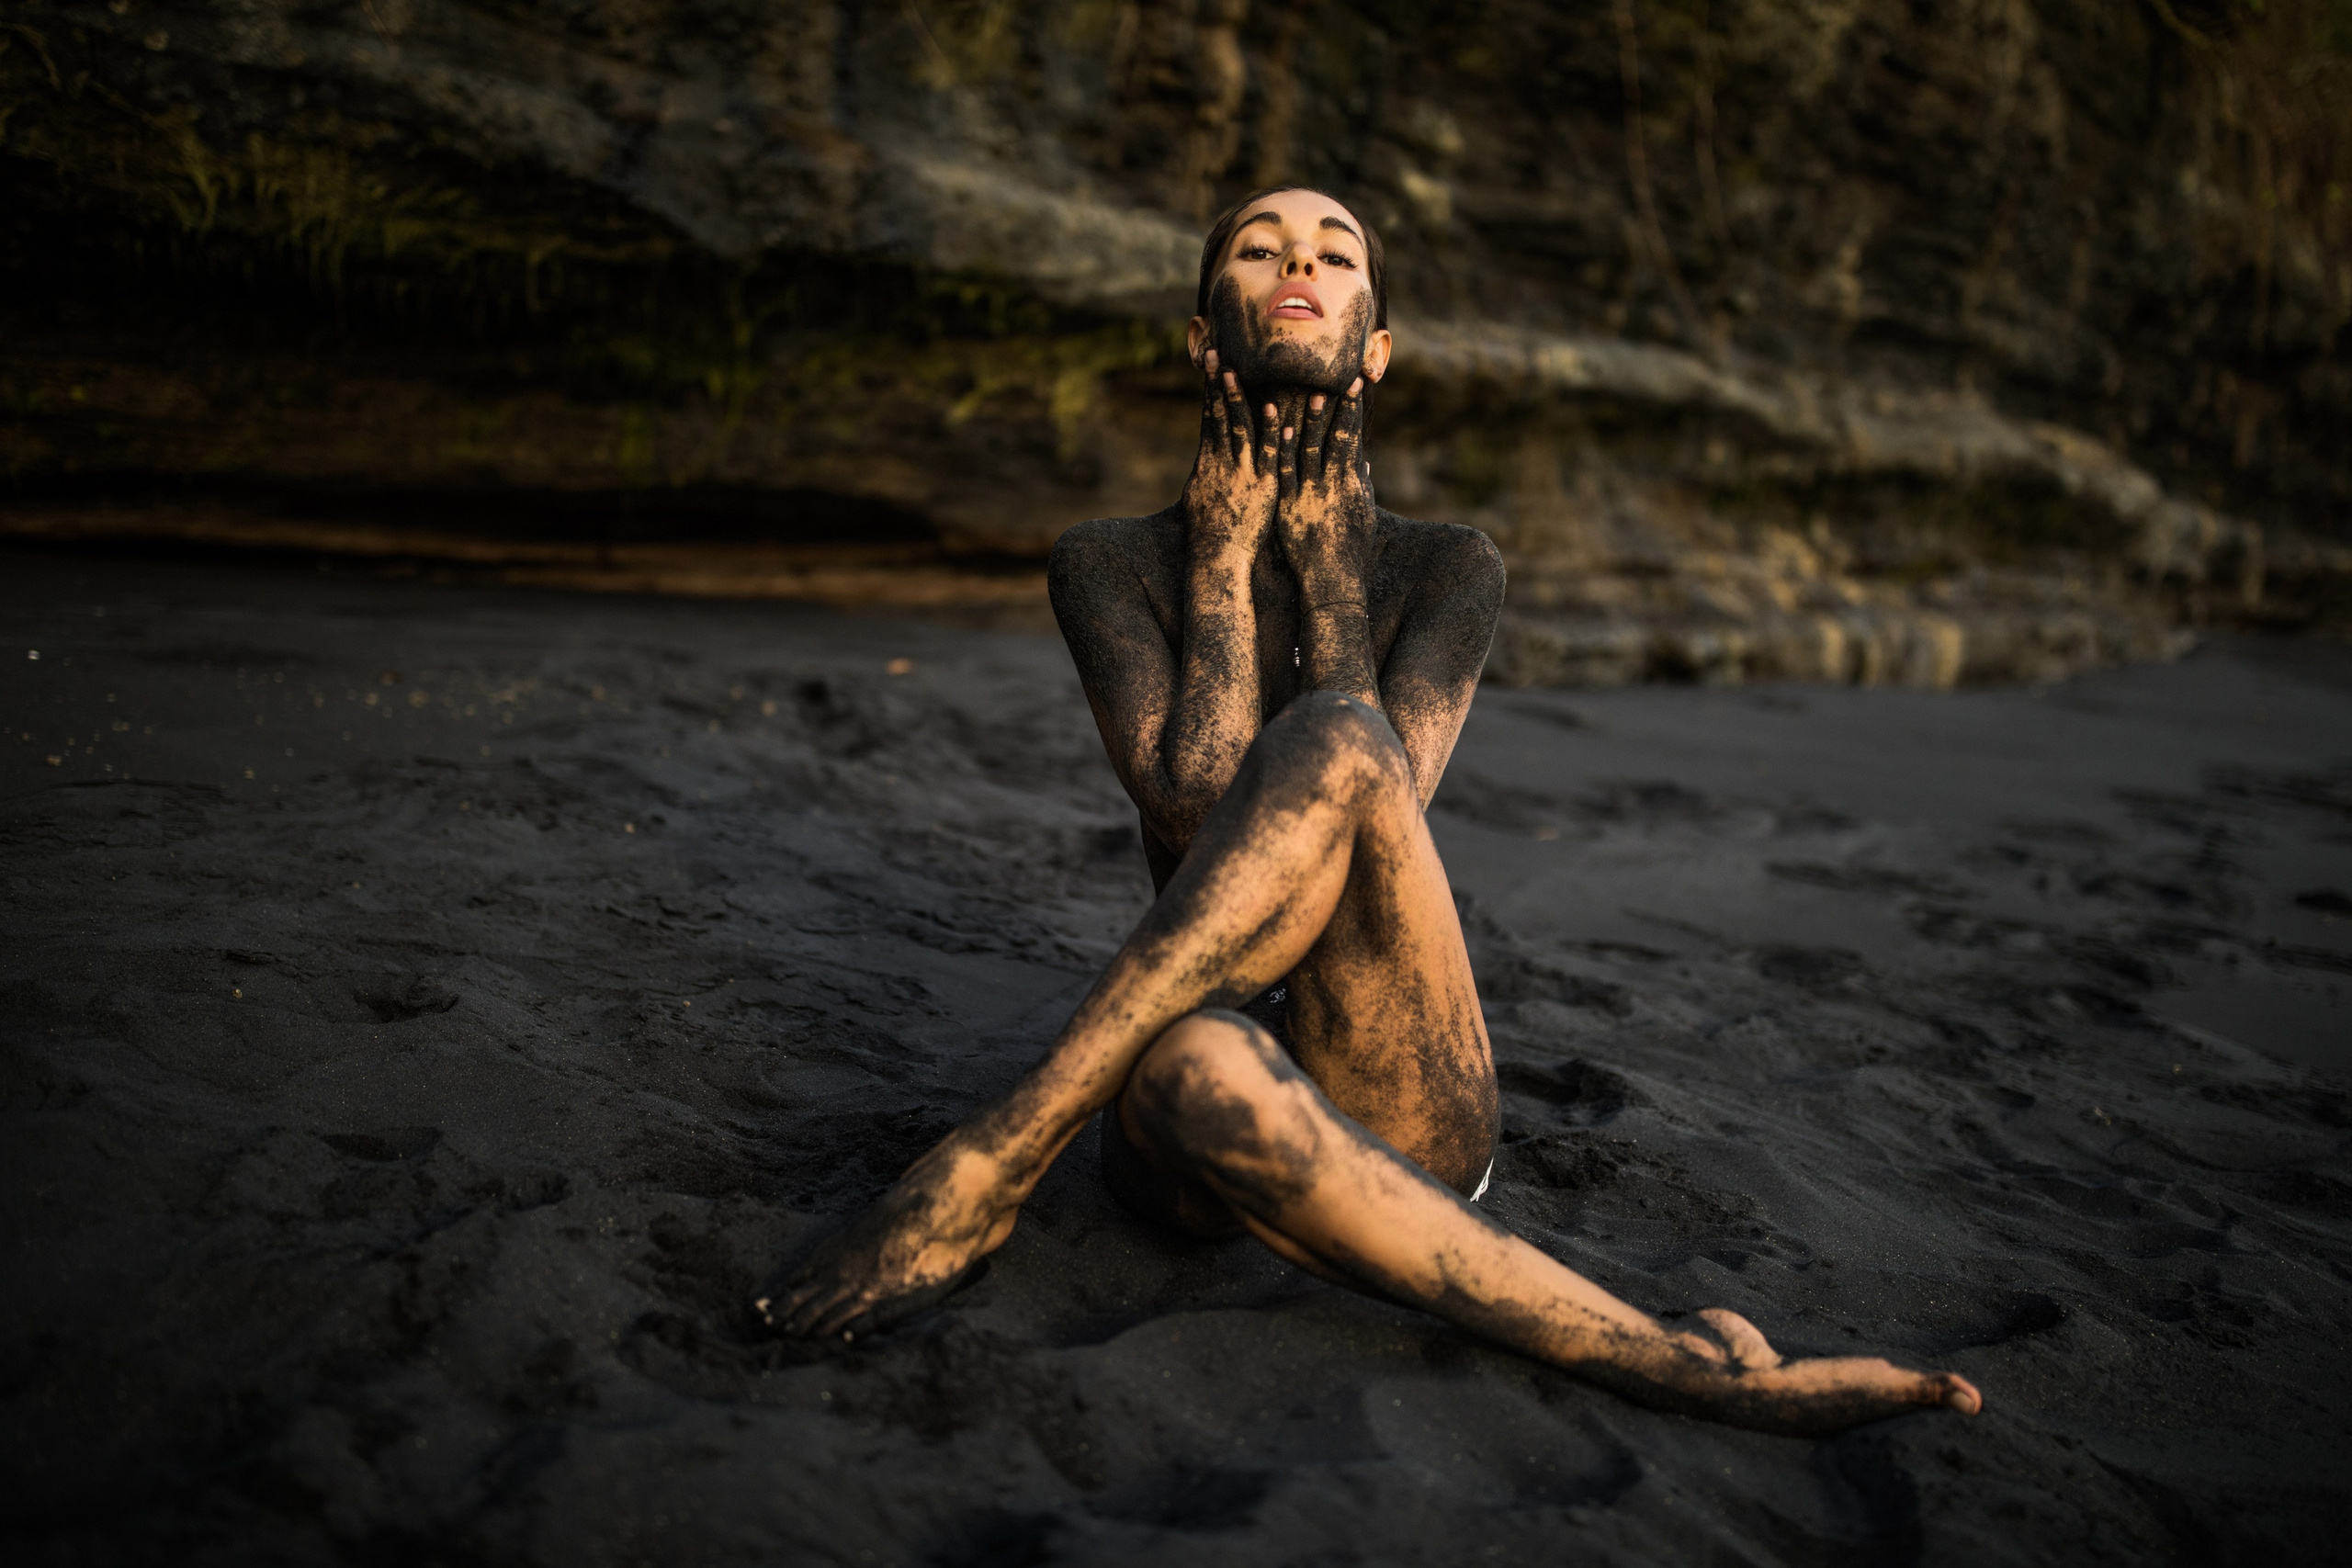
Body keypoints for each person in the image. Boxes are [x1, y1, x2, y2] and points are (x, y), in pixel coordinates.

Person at [758, 186, 1983, 1436]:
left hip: (1400, 1072)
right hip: (1196, 1051)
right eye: (1260, 247)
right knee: (1191, 1066)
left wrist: (1337, 587)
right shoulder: (1107, 561)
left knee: (1341, 738)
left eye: (1335, 255)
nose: (1300, 261)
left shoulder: (1447, 568)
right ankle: (1681, 1363)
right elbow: (1190, 816)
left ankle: (991, 1160)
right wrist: (1224, 572)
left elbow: (1352, 835)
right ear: (1200, 336)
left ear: (1376, 347)